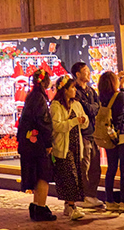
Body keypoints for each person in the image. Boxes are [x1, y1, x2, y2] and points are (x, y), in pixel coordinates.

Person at [17, 68, 56, 222]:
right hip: (38, 143)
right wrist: (48, 142)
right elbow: (43, 121)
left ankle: (36, 205)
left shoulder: (31, 97)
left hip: (29, 142)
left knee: (36, 174)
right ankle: (40, 206)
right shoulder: (40, 98)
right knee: (43, 175)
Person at [50, 76, 89, 220]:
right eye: (72, 87)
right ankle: (72, 207)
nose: (74, 90)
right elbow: (56, 126)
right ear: (65, 90)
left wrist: (83, 120)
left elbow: (84, 122)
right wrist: (74, 121)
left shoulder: (76, 104)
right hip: (63, 146)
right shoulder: (56, 105)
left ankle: (68, 205)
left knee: (75, 174)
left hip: (76, 145)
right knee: (69, 176)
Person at [97, 71, 124, 212]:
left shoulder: (101, 97)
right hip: (123, 134)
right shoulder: (119, 95)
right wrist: (123, 87)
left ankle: (109, 200)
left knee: (111, 168)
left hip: (109, 135)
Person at [70, 63, 102, 209]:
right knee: (84, 166)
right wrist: (92, 108)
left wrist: (92, 108)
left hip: (93, 132)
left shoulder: (91, 90)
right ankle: (84, 196)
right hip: (82, 133)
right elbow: (87, 109)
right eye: (85, 71)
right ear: (77, 74)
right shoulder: (74, 91)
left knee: (96, 165)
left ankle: (92, 195)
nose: (89, 73)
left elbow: (97, 107)